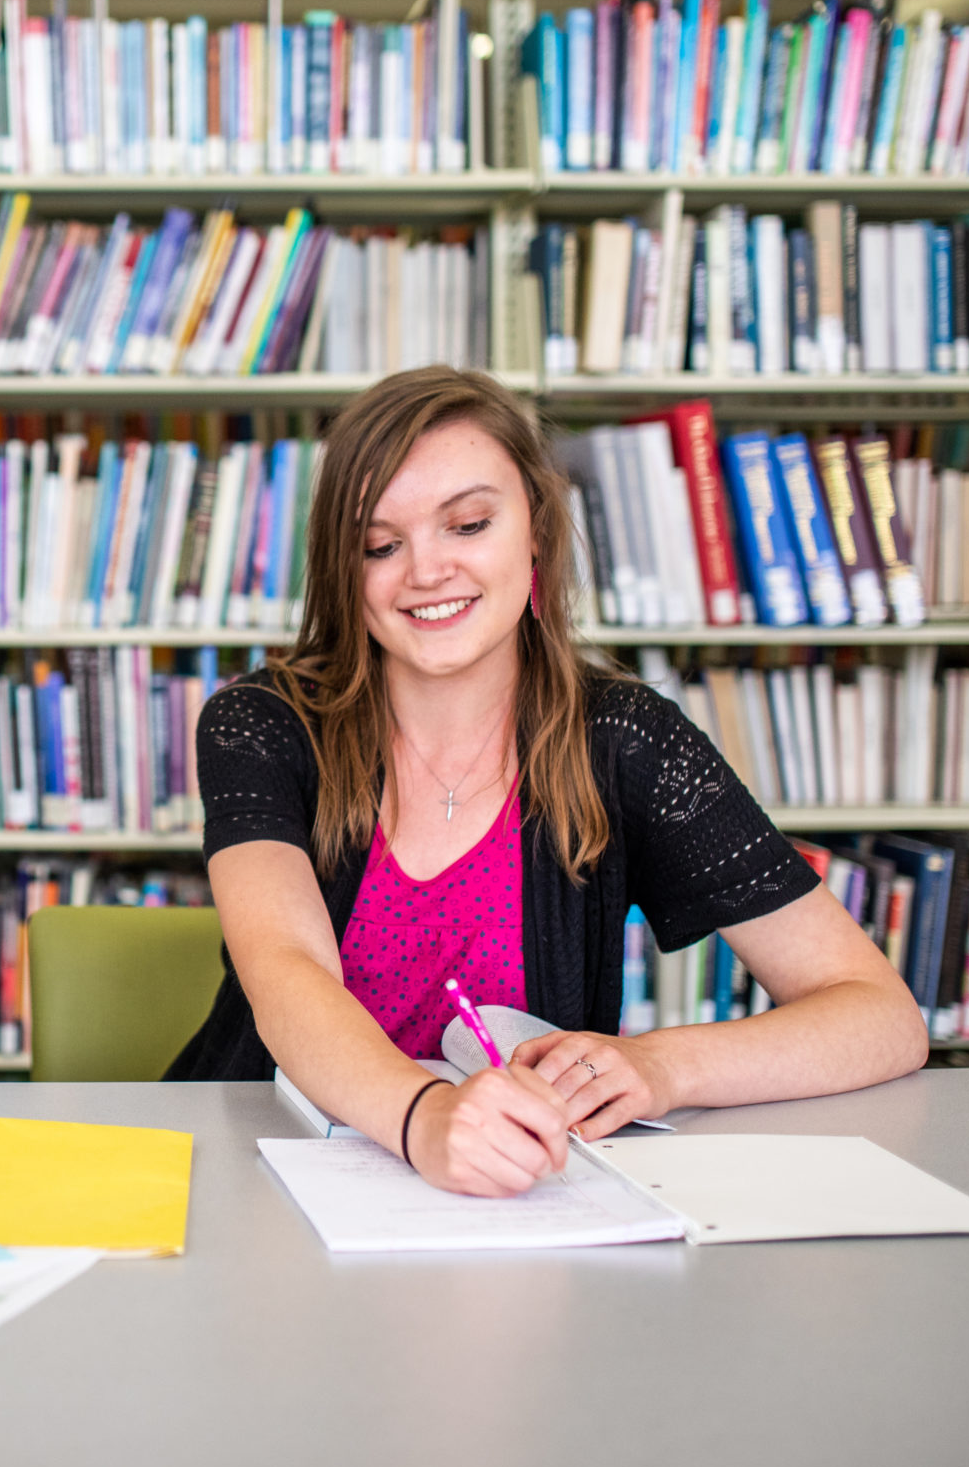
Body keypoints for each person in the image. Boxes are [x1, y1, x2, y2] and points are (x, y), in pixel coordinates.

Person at [169, 367, 927, 1197]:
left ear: (535, 530)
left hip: (526, 1194)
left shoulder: (627, 737)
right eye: (380, 544)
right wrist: (427, 1118)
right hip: (267, 1168)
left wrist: (658, 1064)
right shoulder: (261, 722)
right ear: (344, 573)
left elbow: (880, 1015)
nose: (425, 569)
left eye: (467, 523)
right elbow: (285, 973)